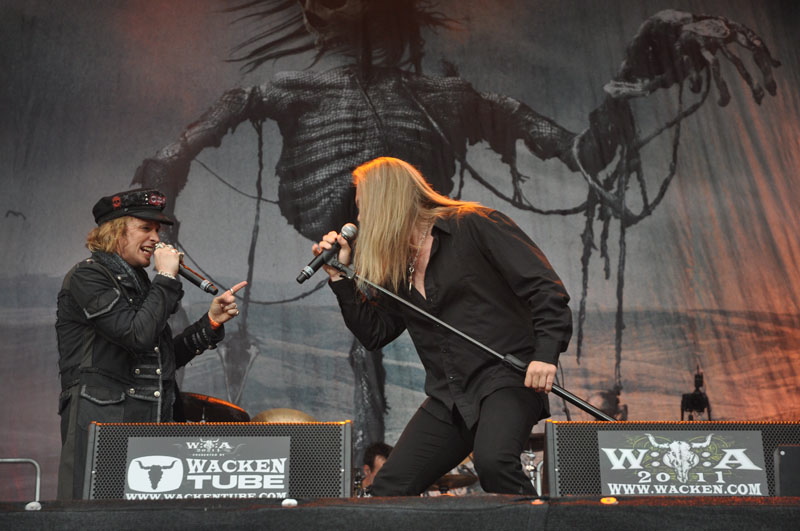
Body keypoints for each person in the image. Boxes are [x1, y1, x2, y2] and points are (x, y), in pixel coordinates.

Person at [313, 157, 572, 496]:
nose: (359, 219)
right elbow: (375, 333)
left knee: (494, 463)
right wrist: (339, 278)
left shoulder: (474, 224)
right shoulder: (397, 266)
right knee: (388, 488)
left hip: (506, 377)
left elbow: (545, 289)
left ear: (385, 203)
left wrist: (546, 354)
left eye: (362, 208)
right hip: (449, 395)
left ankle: (541, 520)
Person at [55, 188, 247, 500]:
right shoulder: (87, 277)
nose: (156, 239)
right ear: (114, 232)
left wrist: (210, 323)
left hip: (151, 423)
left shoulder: (143, 285)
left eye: (157, 230)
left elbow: (160, 360)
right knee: (98, 516)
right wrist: (167, 278)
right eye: (145, 228)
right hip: (106, 428)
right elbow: (136, 335)